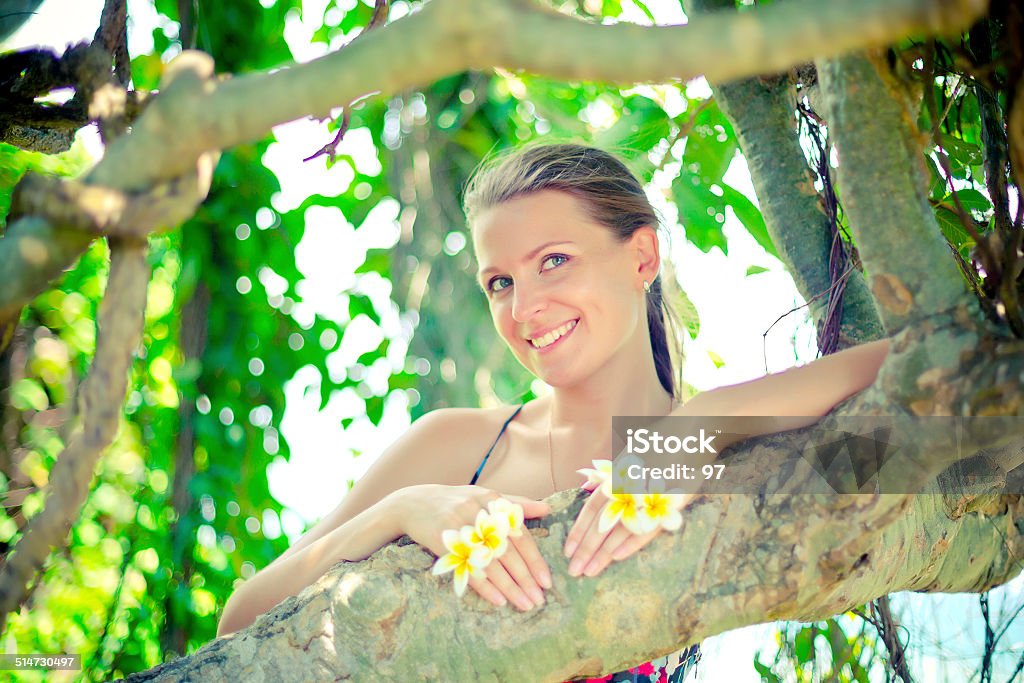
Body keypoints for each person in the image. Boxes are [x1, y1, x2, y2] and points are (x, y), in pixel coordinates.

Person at [216, 142, 891, 681]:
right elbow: (239, 622)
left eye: (555, 261)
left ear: (643, 255)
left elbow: (940, 365)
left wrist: (698, 426)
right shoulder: (461, 446)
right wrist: (398, 511)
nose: (523, 307)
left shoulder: (711, 444)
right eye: (500, 282)